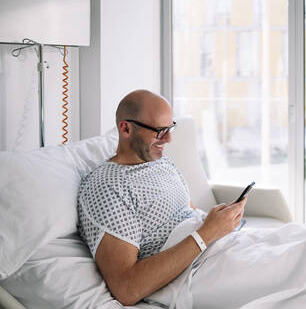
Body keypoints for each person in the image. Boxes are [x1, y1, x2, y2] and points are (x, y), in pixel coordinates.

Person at [76, 89, 247, 306]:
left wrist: (220, 221)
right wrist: (208, 232)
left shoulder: (163, 163)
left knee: (302, 245)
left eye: (170, 127)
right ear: (126, 128)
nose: (168, 139)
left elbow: (190, 213)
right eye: (160, 131)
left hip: (224, 245)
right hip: (197, 270)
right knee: (303, 267)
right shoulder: (107, 187)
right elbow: (127, 288)